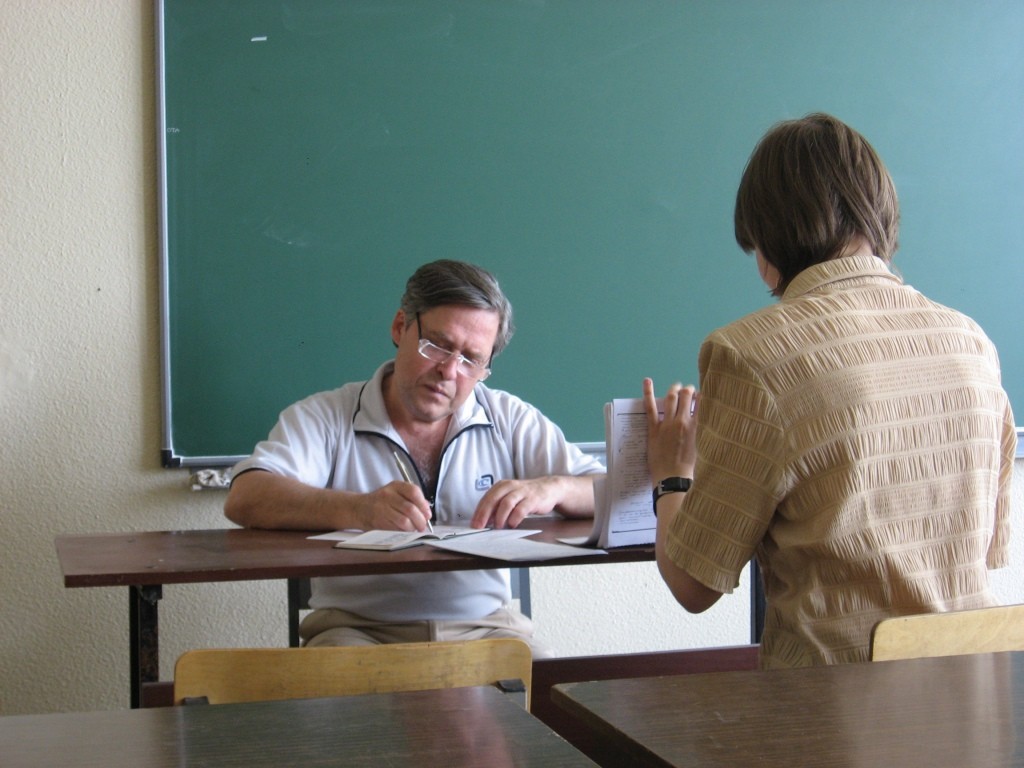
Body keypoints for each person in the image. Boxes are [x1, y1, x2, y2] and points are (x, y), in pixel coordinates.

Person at [643, 113, 1016, 668]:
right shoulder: (972, 342)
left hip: (834, 719)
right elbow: (991, 549)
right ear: (880, 214)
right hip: (974, 704)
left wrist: (671, 476)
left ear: (766, 240)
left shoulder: (750, 353)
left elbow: (693, 585)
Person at [225, 259, 603, 656]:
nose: (449, 371)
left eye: (472, 359)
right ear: (400, 327)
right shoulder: (326, 416)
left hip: (486, 629)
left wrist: (554, 487)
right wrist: (360, 510)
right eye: (438, 345)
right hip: (358, 631)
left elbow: (614, 491)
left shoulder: (509, 418)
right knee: (335, 707)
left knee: (545, 697)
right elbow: (247, 496)